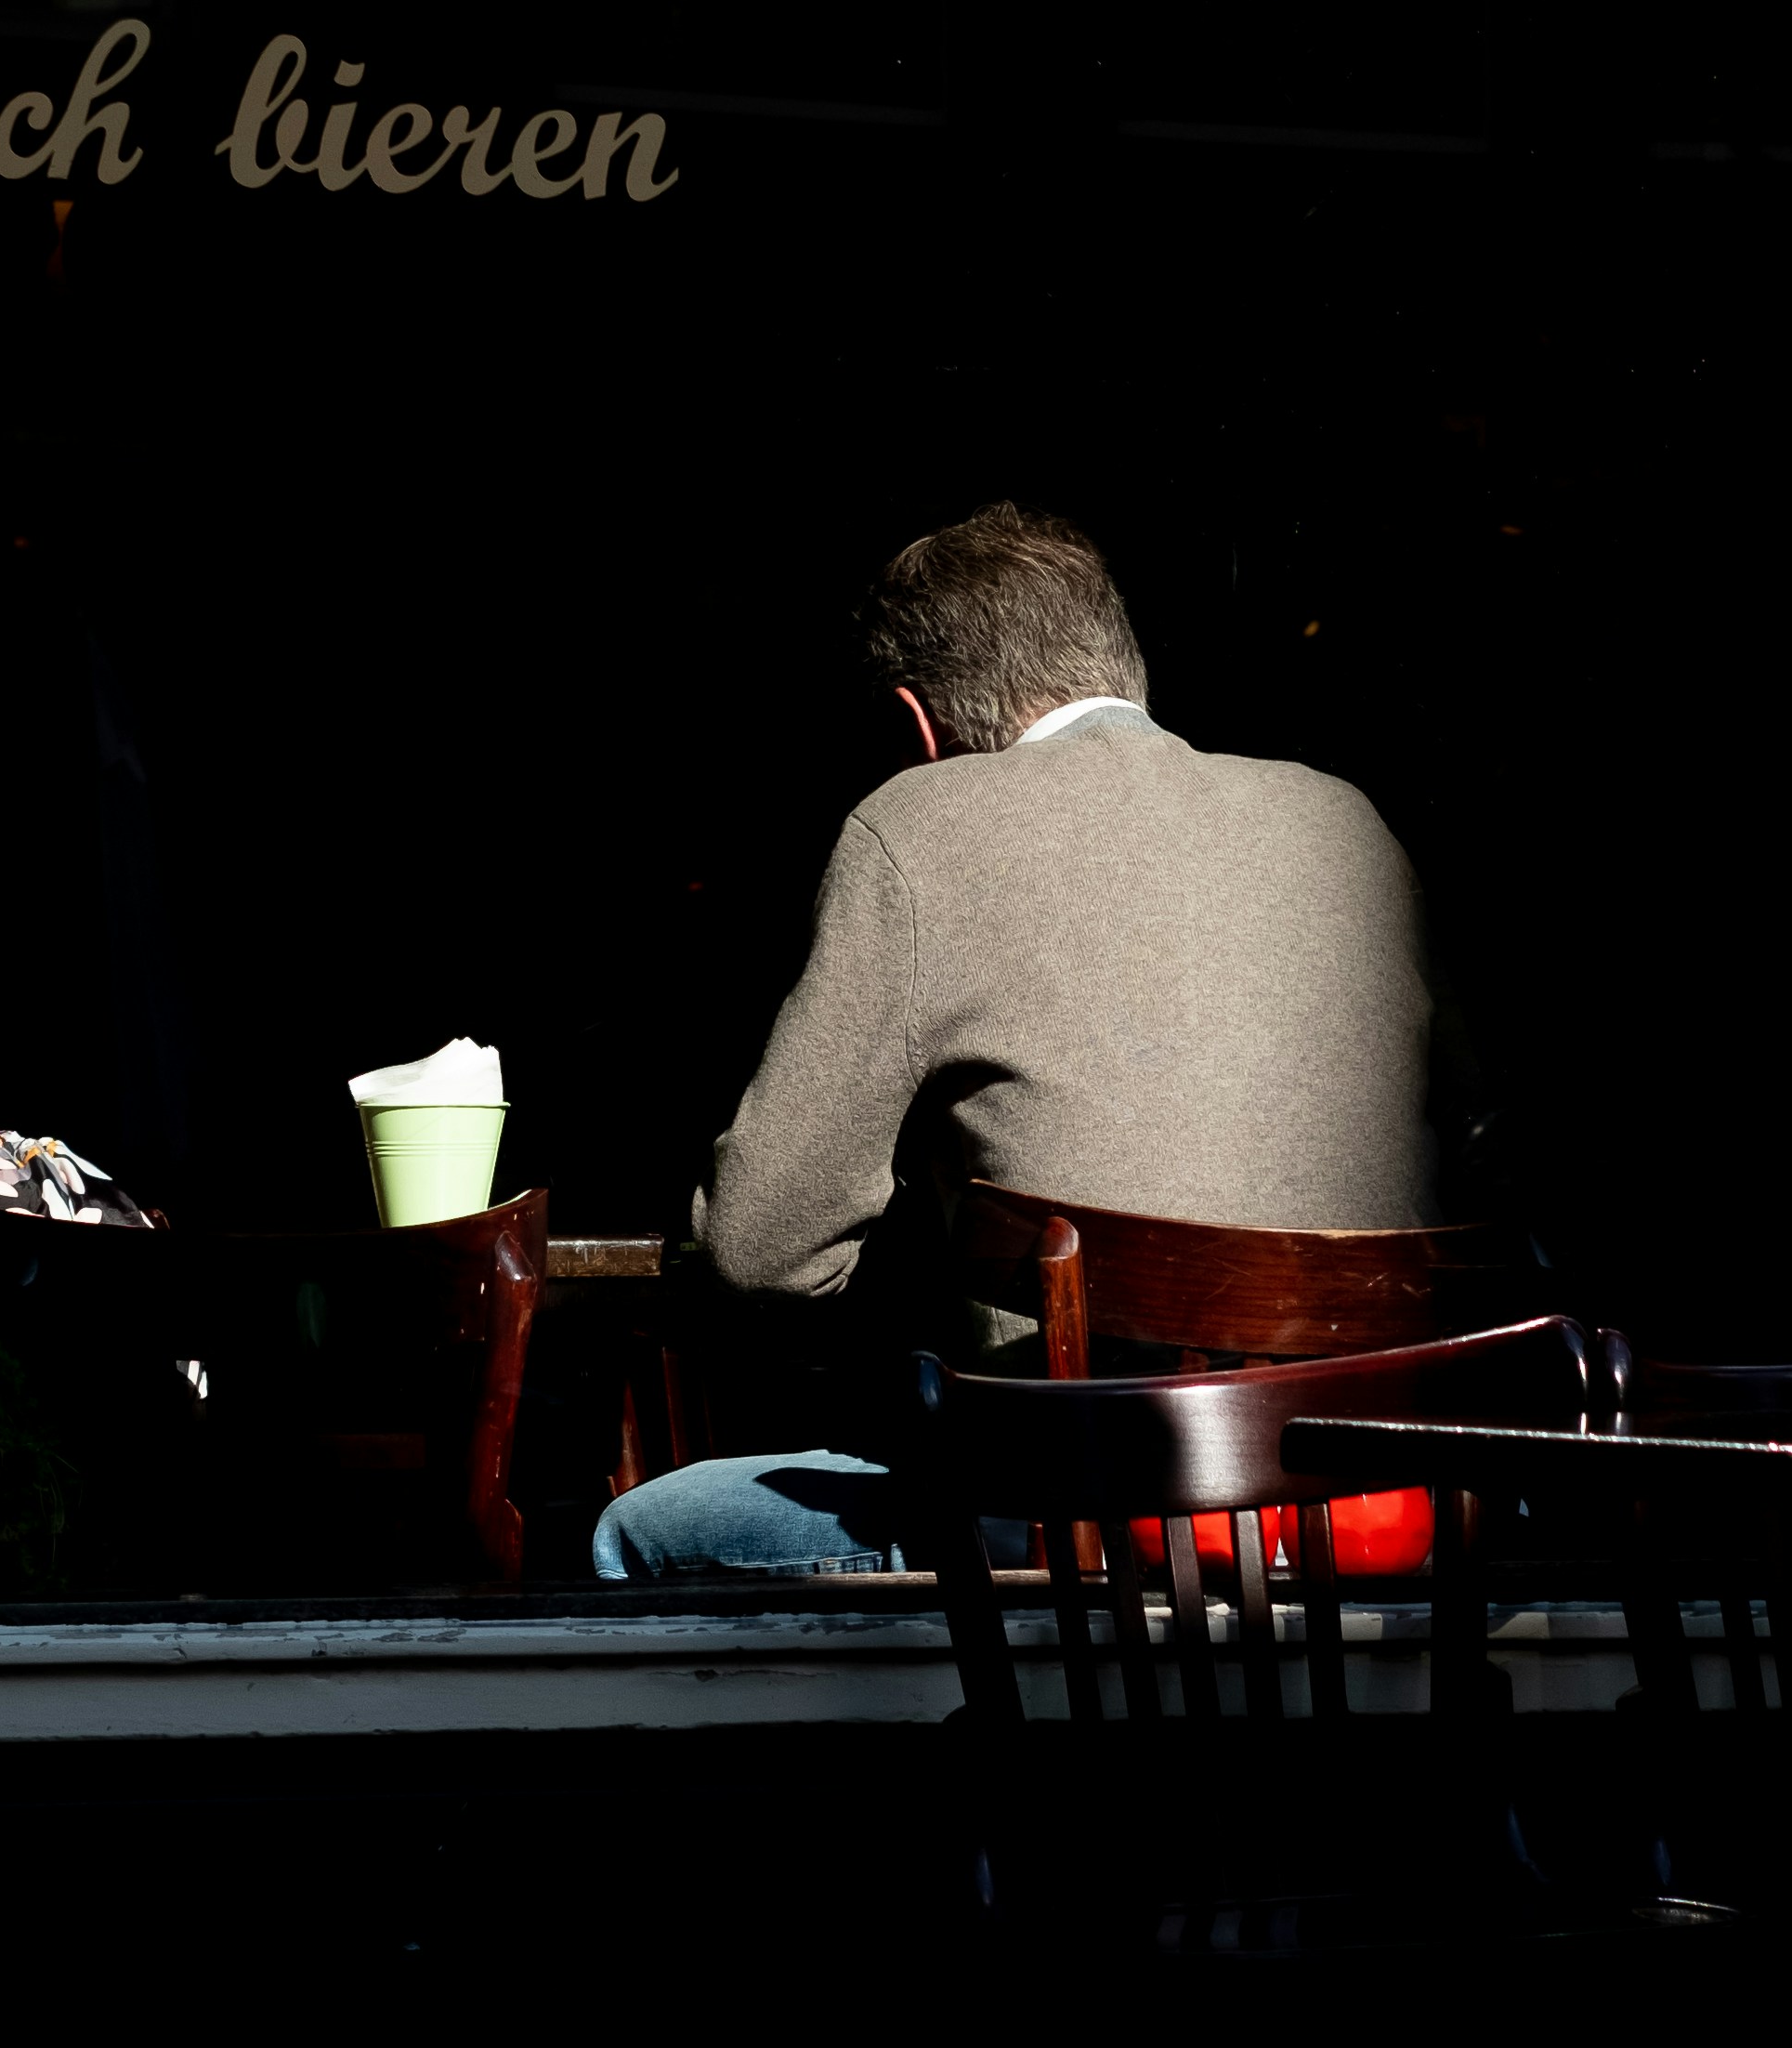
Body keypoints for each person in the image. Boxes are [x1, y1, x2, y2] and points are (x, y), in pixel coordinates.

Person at [593, 501, 1433, 1573]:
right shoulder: (1342, 821)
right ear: (1120, 663)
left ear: (917, 727)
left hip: (1091, 1545)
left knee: (640, 1530)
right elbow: (1481, 1154)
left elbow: (763, 1253)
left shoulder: (920, 824)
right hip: (1386, 1532)